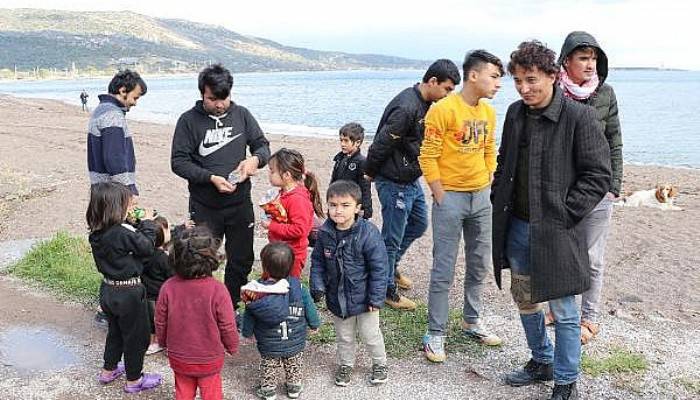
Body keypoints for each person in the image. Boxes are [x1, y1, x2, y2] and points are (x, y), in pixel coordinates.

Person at [491, 41, 611, 400]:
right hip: (517, 227)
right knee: (525, 299)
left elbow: (598, 176)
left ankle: (565, 380)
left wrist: (566, 213)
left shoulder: (579, 117)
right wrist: (498, 195)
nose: (524, 89)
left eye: (531, 80)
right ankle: (541, 360)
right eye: (517, 81)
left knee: (563, 309)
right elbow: (503, 162)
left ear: (552, 76)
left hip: (557, 231)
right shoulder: (514, 114)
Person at [418, 50, 504, 363]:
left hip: (481, 196)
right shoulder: (442, 110)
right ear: (473, 75)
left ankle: (472, 320)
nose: (498, 84)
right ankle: (436, 332)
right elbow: (427, 155)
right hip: (450, 197)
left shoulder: (489, 113)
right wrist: (440, 194)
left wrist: (489, 181)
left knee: (480, 262)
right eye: (494, 77)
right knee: (444, 267)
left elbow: (489, 150)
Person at [171, 64, 271, 313]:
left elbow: (262, 146)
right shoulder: (188, 121)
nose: (219, 104)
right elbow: (178, 162)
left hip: (239, 205)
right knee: (200, 259)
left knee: (241, 259)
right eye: (212, 99)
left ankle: (230, 307)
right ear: (202, 94)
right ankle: (202, 307)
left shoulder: (242, 115)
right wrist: (209, 177)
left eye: (223, 98)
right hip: (205, 205)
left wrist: (254, 161)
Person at [365, 59, 460, 310]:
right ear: (432, 82)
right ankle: (385, 290)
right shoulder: (407, 107)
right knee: (391, 238)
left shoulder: (426, 103)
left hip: (410, 177)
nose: (448, 95)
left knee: (418, 224)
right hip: (393, 181)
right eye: (447, 89)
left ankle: (390, 267)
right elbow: (381, 143)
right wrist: (369, 175)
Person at [547, 31, 623, 344]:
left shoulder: (606, 94)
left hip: (598, 188)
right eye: (583, 58)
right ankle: (559, 308)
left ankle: (589, 317)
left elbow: (615, 141)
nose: (590, 64)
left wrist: (613, 185)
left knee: (592, 258)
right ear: (567, 61)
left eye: (593, 58)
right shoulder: (553, 92)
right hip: (561, 188)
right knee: (559, 252)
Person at [310, 180, 389, 387]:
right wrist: (317, 285)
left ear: (358, 208)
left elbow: (379, 268)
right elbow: (318, 261)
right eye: (333, 205)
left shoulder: (368, 233)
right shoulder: (325, 233)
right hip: (338, 298)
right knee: (344, 337)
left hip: (365, 299)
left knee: (370, 335)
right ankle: (346, 364)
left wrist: (376, 297)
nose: (338, 211)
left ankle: (380, 363)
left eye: (345, 205)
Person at [86, 182, 162, 394]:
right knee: (136, 338)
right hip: (129, 292)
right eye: (128, 203)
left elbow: (123, 243)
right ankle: (134, 380)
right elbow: (146, 247)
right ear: (116, 208)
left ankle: (108, 370)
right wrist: (147, 223)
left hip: (108, 291)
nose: (132, 204)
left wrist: (132, 223)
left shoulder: (97, 232)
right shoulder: (123, 232)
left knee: (116, 333)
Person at [155, 225, 239, 400]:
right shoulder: (218, 290)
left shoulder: (168, 287)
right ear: (212, 258)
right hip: (209, 357)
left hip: (179, 356)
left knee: (183, 392)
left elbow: (160, 320)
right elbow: (227, 324)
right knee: (212, 393)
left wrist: (163, 342)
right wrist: (232, 346)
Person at [241, 242, 321, 400]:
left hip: (269, 343)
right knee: (294, 364)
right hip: (294, 340)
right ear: (291, 266)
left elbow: (250, 313)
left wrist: (247, 332)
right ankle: (294, 388)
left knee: (269, 365)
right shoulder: (298, 287)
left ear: (264, 267)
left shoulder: (256, 291)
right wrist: (314, 324)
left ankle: (268, 390)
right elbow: (310, 307)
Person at [261, 148, 324, 278]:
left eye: (272, 171)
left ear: (287, 175)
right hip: (278, 251)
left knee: (289, 289)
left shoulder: (298, 199)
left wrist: (271, 226)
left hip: (291, 256)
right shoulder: (283, 193)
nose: (269, 174)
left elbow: (300, 230)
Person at [87, 70, 147, 196]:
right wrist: (128, 191)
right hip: (112, 194)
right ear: (123, 90)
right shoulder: (112, 115)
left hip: (100, 190)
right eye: (135, 97)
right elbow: (114, 158)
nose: (135, 103)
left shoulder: (101, 110)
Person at [141, 216, 174, 355]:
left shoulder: (142, 253)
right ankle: (162, 343)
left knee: (150, 320)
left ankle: (152, 341)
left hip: (146, 292)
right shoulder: (163, 258)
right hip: (160, 293)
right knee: (161, 319)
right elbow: (171, 276)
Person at [331, 122, 372, 219]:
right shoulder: (339, 159)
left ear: (357, 142)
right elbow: (333, 181)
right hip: (338, 201)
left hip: (353, 204)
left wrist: (366, 208)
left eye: (346, 141)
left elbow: (365, 187)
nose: (342, 144)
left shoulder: (361, 162)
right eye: (341, 140)